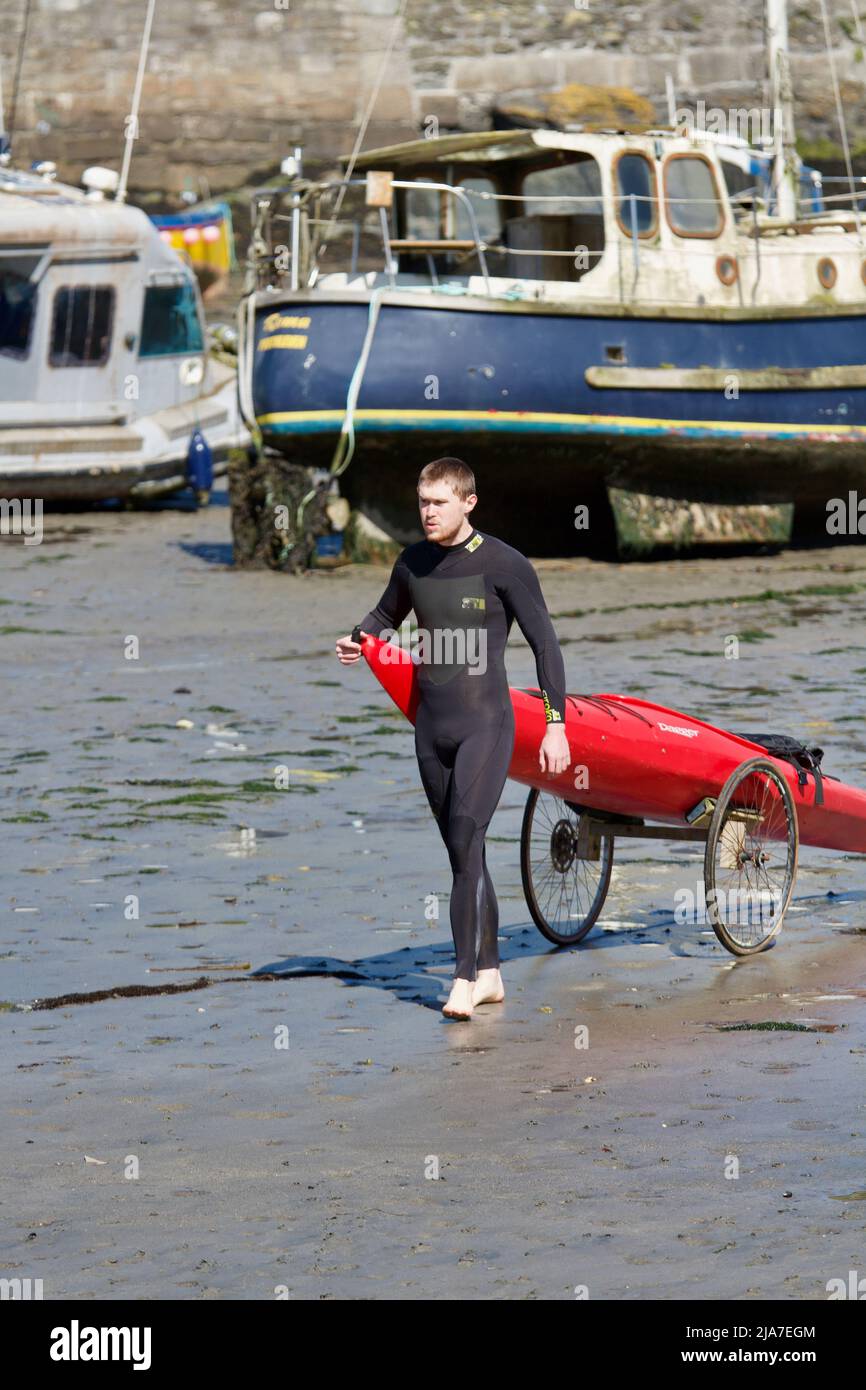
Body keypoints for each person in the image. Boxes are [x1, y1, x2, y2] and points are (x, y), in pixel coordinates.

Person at [335, 457, 570, 1019]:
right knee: (464, 854)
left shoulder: (504, 565)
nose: (428, 512)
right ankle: (490, 971)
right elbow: (385, 613)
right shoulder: (412, 562)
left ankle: (462, 981)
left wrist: (556, 726)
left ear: (469, 502)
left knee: (466, 839)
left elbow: (546, 647)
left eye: (439, 502)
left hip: (485, 727)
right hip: (430, 730)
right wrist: (358, 638)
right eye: (422, 502)